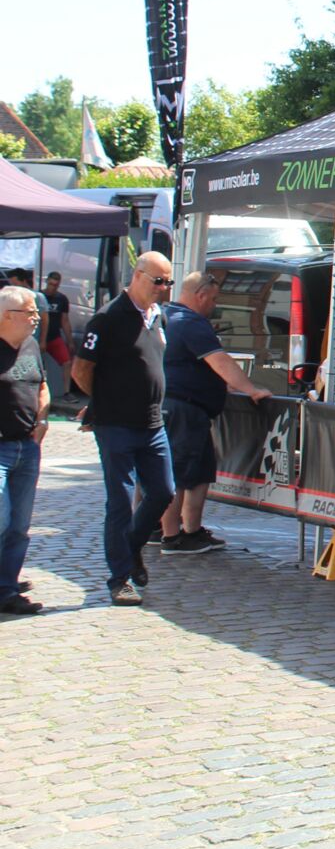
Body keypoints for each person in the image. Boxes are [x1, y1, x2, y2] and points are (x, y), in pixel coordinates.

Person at [72, 252, 175, 607]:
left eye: (168, 282)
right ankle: (119, 578)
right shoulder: (108, 318)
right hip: (116, 424)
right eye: (157, 280)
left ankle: (130, 548)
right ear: (138, 275)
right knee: (120, 501)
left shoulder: (158, 315)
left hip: (152, 423)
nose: (162, 288)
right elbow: (81, 369)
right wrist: (103, 401)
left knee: (163, 491)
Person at [159, 269, 269, 553]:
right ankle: (171, 536)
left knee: (197, 473)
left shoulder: (167, 316)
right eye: (214, 299)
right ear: (201, 295)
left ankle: (187, 531)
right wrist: (250, 389)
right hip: (184, 409)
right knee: (180, 475)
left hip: (183, 408)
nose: (215, 305)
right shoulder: (190, 322)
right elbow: (220, 361)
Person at [0, 286, 47, 615]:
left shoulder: (30, 346)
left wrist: (42, 418)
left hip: (27, 448)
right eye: (30, 312)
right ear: (7, 316)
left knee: (19, 525)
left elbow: (42, 386)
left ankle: (6, 588)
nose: (36, 318)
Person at [39, 270, 72, 395]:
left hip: (54, 336)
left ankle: (67, 392)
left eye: (55, 285)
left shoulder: (61, 299)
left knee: (67, 362)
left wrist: (70, 341)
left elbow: (65, 321)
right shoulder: (39, 296)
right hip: (38, 336)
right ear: (46, 282)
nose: (52, 288)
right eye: (51, 284)